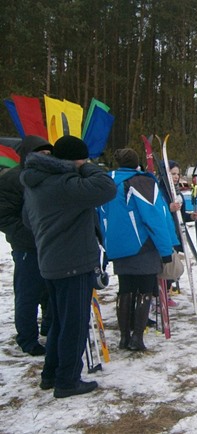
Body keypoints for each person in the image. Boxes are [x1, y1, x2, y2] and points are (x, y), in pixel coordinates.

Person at [21, 135, 117, 398]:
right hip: (73, 263)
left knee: (59, 322)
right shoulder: (65, 183)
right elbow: (107, 187)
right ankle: (67, 380)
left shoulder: (35, 182)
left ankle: (51, 374)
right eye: (83, 159)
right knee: (74, 324)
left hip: (50, 261)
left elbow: (28, 223)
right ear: (75, 160)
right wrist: (85, 167)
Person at [98, 148, 178, 351]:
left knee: (125, 289)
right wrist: (165, 247)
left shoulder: (107, 182)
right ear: (136, 163)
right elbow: (154, 216)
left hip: (117, 245)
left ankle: (124, 337)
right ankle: (137, 338)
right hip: (143, 245)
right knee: (144, 290)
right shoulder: (142, 181)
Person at [0, 136, 54, 356]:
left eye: (49, 154)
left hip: (50, 246)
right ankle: (27, 338)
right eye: (42, 154)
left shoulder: (50, 177)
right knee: (27, 294)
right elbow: (4, 216)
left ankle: (50, 328)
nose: (47, 157)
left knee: (50, 292)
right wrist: (28, 236)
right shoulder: (12, 179)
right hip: (26, 248)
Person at [159, 160, 197, 299]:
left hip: (176, 232)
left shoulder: (176, 191)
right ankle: (161, 295)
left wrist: (190, 217)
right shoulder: (160, 190)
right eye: (173, 173)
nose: (176, 177)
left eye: (177, 174)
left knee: (174, 265)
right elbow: (157, 211)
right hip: (166, 232)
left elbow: (179, 215)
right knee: (169, 265)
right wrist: (168, 208)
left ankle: (168, 291)